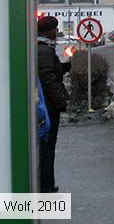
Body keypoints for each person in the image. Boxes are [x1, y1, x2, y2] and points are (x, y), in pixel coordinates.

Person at [37, 15, 71, 193]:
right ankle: (46, 185)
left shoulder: (42, 50)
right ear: (50, 33)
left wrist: (64, 67)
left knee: (47, 146)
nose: (57, 35)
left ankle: (47, 183)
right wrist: (61, 103)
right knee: (48, 147)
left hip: (46, 104)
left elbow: (49, 71)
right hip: (48, 106)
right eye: (55, 31)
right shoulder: (44, 51)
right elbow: (48, 78)